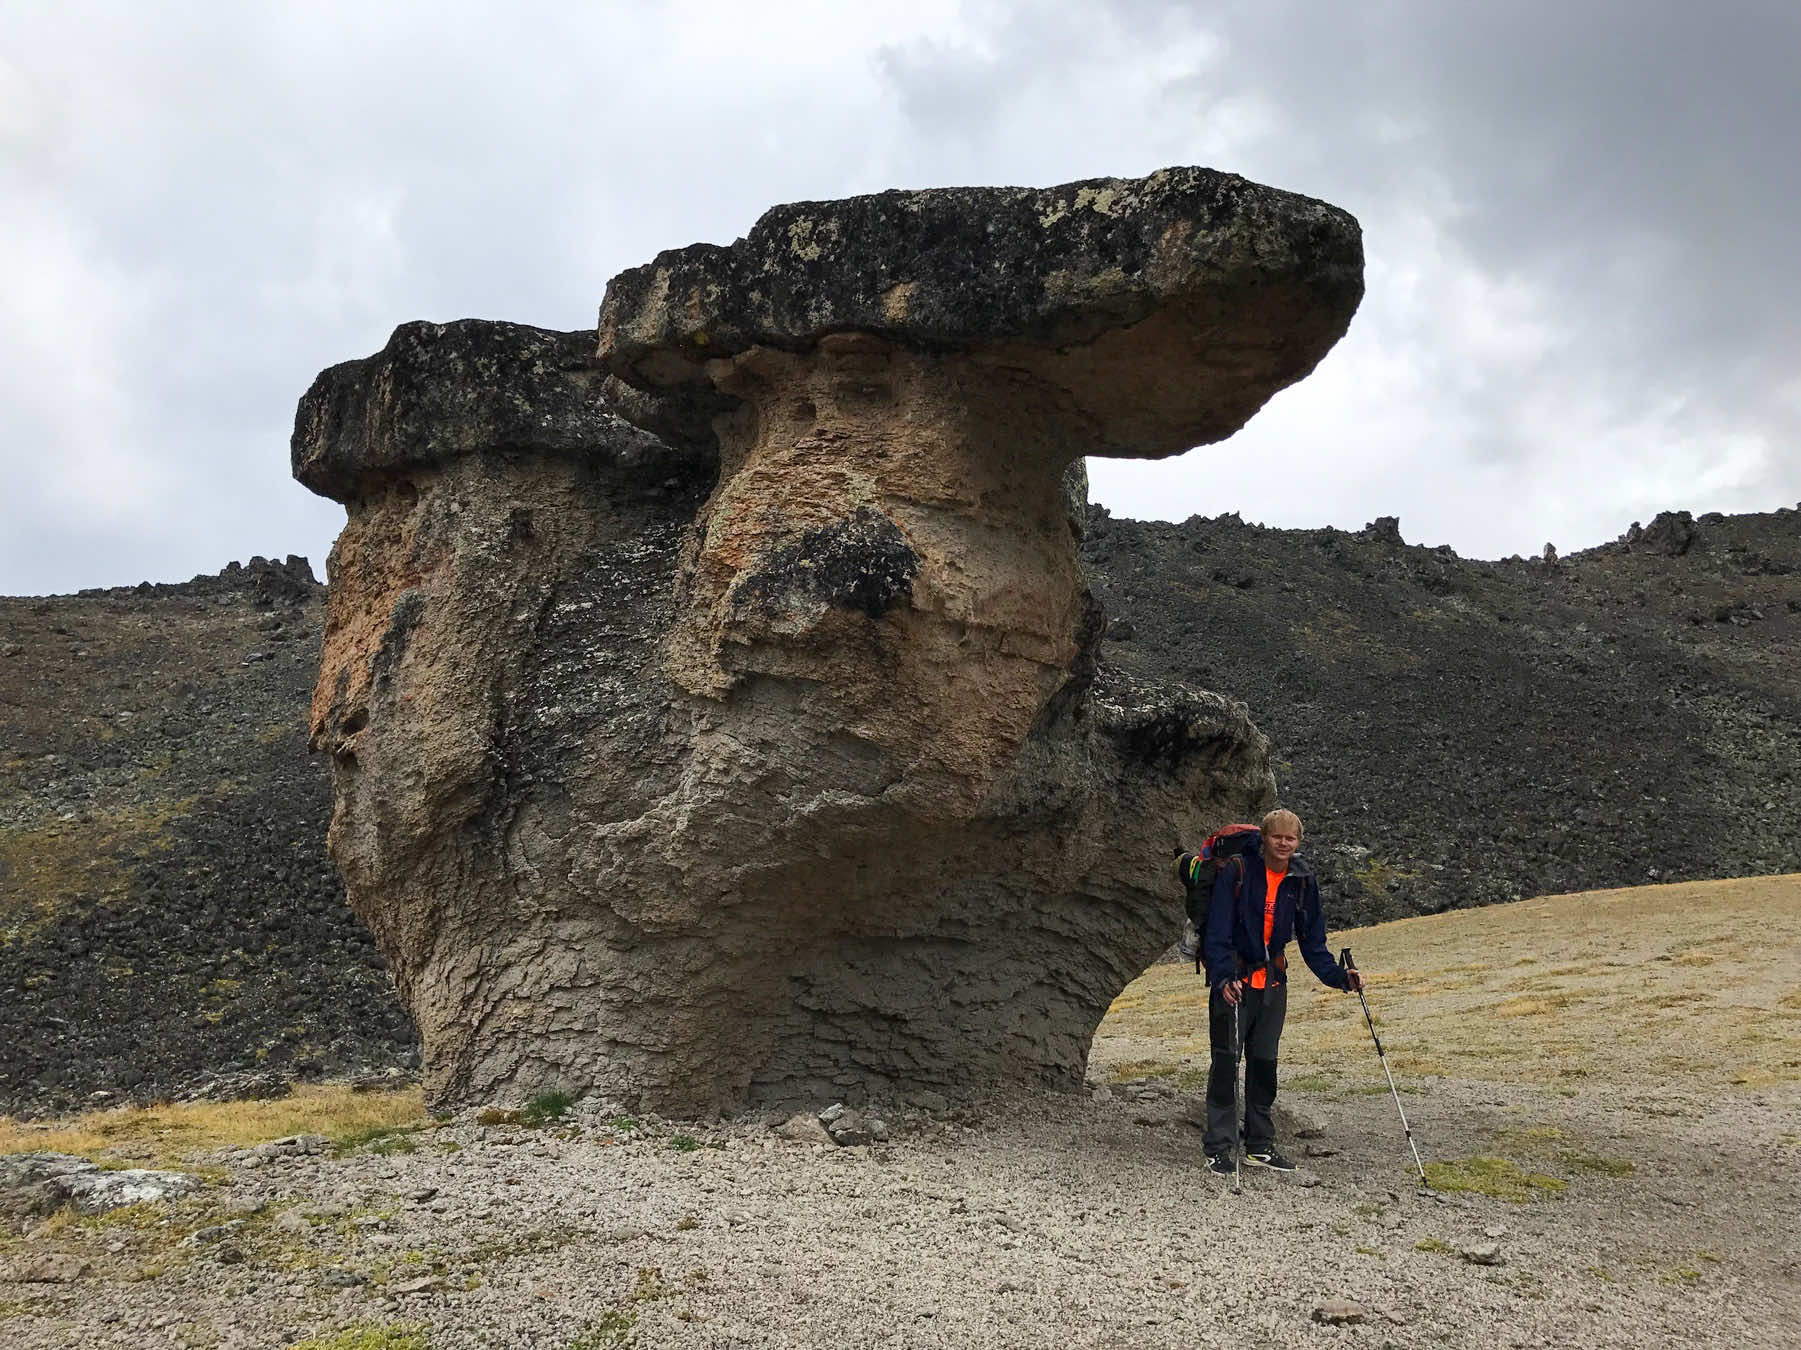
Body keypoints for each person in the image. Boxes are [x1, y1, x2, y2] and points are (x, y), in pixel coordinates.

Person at [1201, 807, 1361, 1175]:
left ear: (1298, 841)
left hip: (1274, 985)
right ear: (1264, 838)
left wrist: (1340, 978)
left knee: (1264, 1064)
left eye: (1291, 838)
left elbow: (1313, 941)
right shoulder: (1239, 871)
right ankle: (1220, 1147)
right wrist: (1223, 980)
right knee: (1227, 1062)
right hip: (1236, 985)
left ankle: (1259, 1145)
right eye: (1277, 836)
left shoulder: (1301, 879)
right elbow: (1218, 934)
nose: (1284, 843)